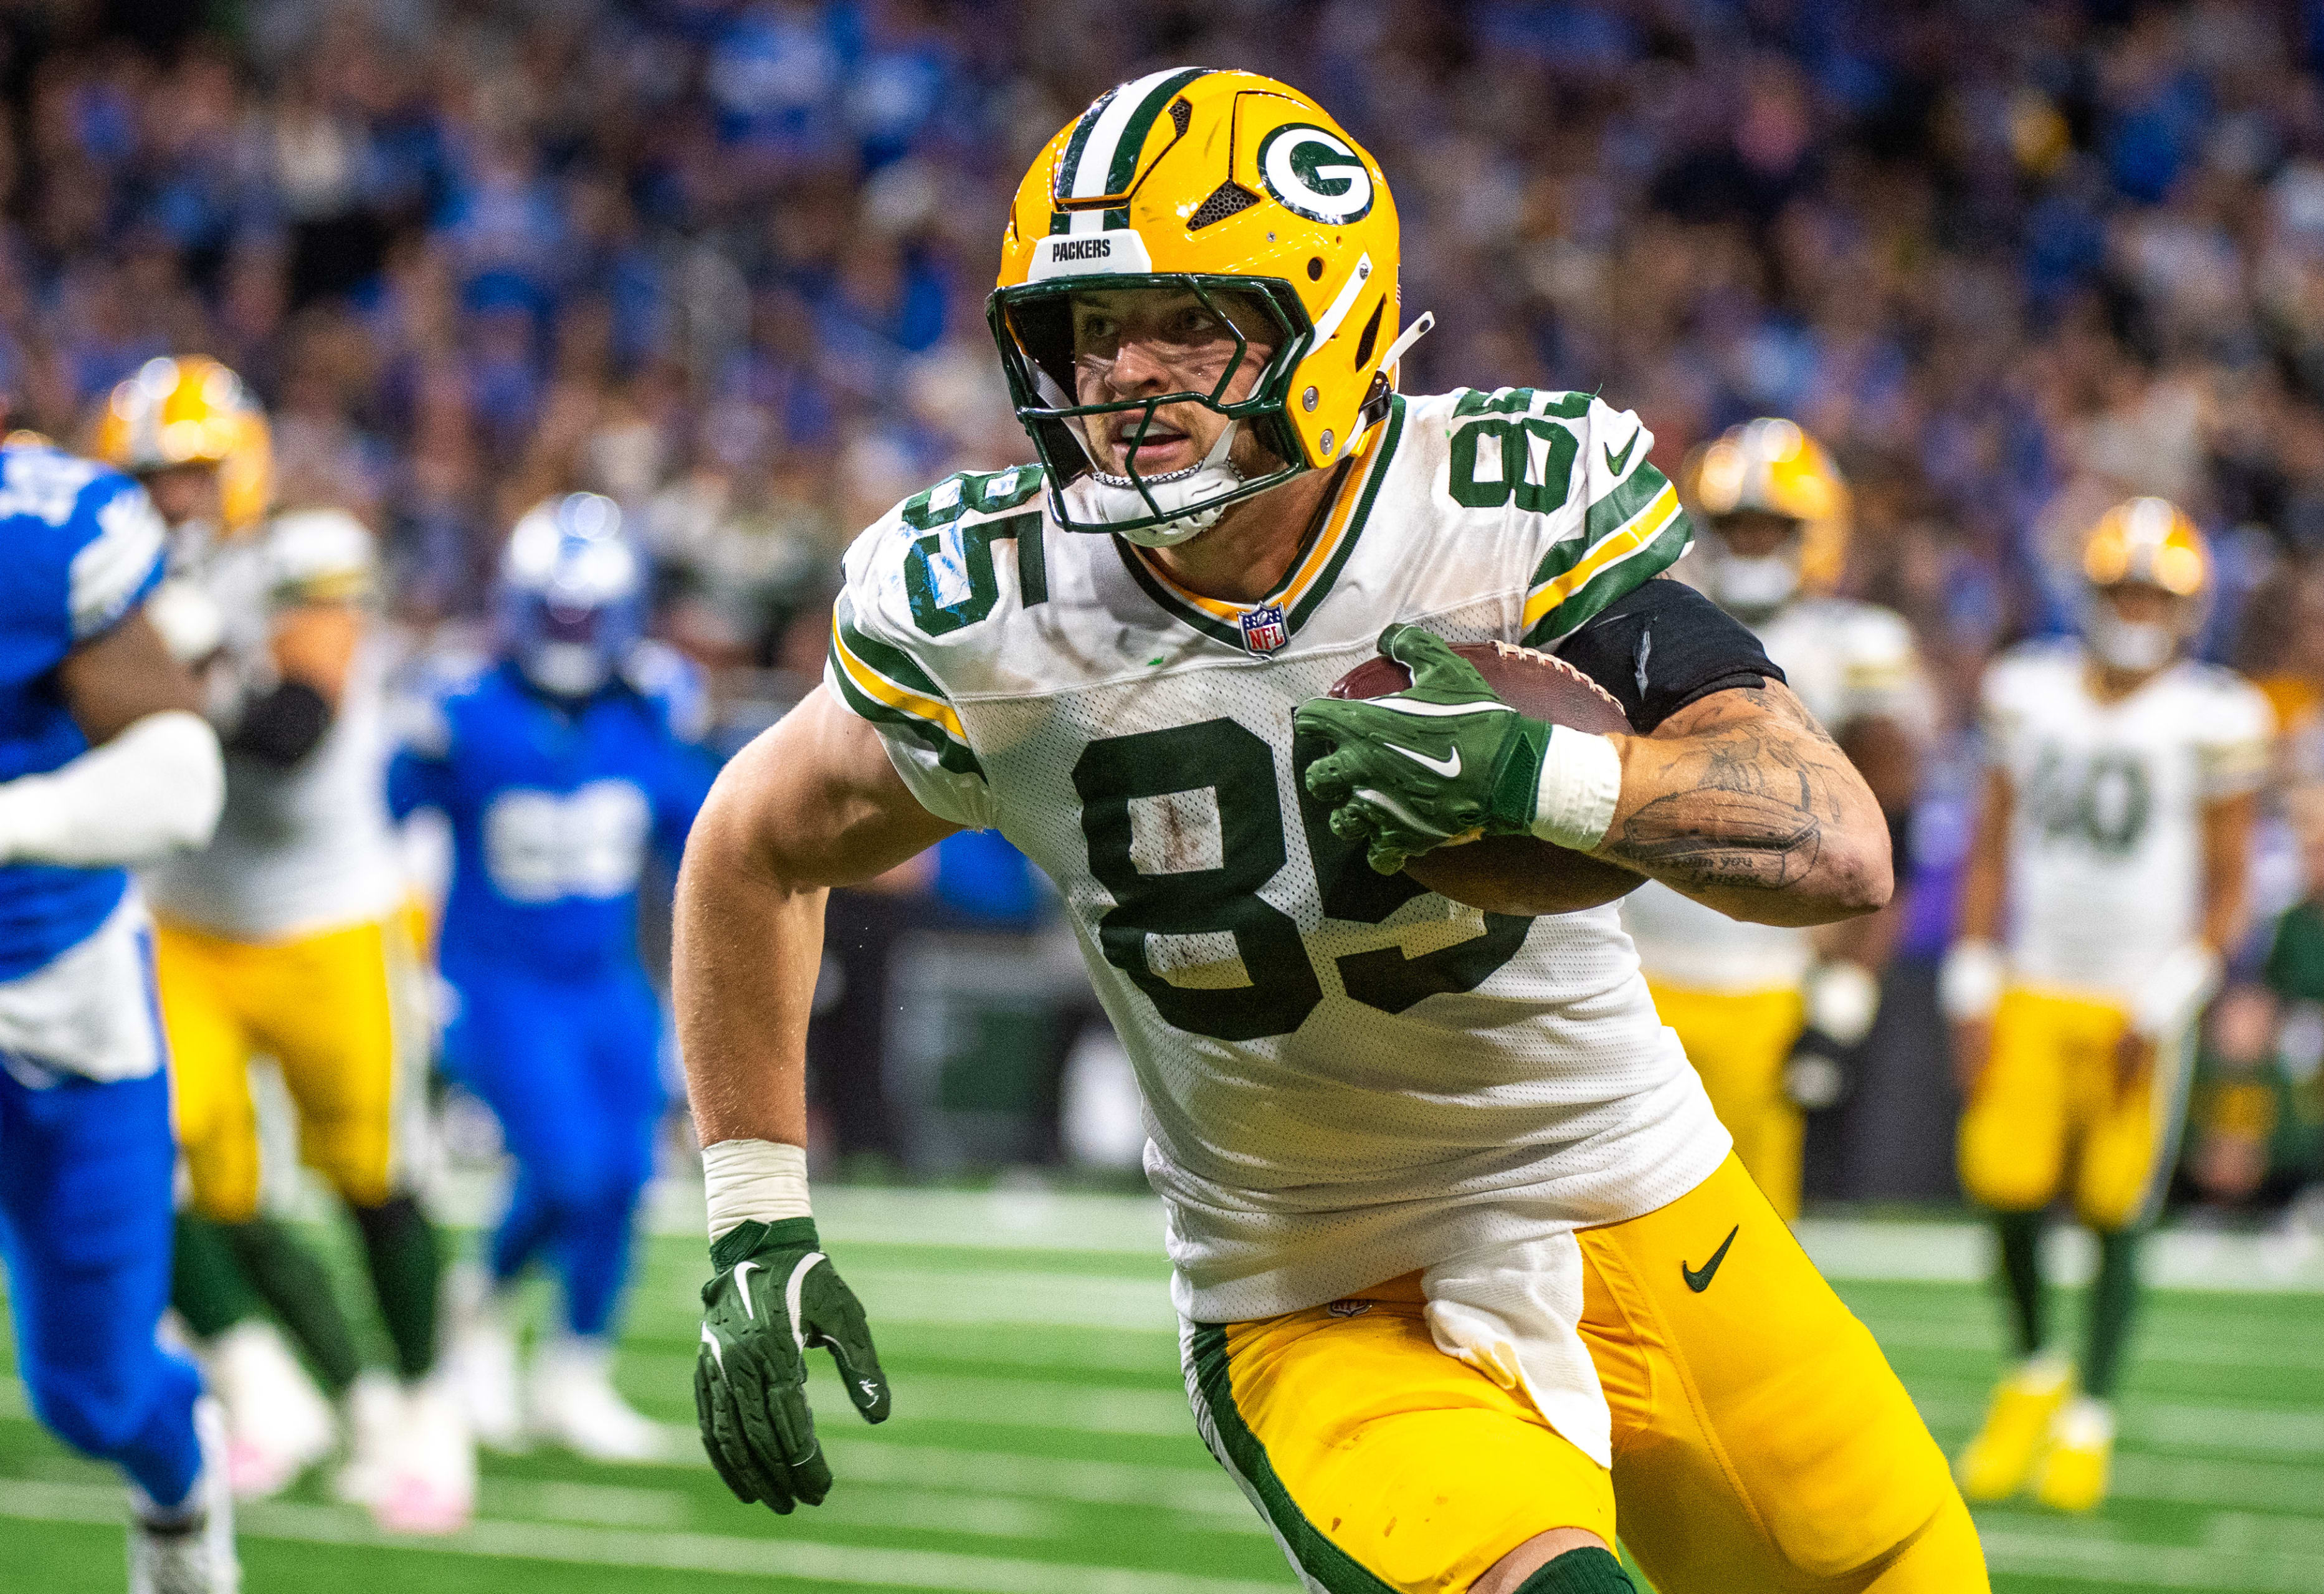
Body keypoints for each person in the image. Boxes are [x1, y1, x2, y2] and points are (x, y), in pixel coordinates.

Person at [674, 69, 1986, 1594]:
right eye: (1093, 332)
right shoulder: (992, 613)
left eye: (1186, 324)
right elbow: (752, 845)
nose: (1126, 381)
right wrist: (754, 1216)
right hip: (1312, 1286)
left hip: (1635, 1188)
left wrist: (1540, 781)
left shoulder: (1487, 511)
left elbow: (1835, 842)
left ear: (1331, 319)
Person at [95, 356, 470, 1532]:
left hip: (327, 913)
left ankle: (421, 1412)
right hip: (184, 917)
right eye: (154, 476)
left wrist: (176, 667)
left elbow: (294, 726)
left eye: (195, 472)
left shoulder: (308, 551)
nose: (176, 498)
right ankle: (265, 1385)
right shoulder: (112, 579)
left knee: (374, 1178)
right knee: (142, 1160)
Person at [1944, 497, 2271, 1513]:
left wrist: (2173, 992)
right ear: (2091, 592)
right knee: (2001, 1177)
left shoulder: (2216, 713)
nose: (2135, 606)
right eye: (2122, 587)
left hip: (2138, 994)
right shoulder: (2028, 691)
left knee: (2117, 1203)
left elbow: (2228, 882)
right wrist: (1971, 967)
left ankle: (2092, 1410)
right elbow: (1992, 842)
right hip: (2036, 978)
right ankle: (2037, 1365)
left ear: (2188, 606)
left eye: (2154, 591)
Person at [391, 493, 717, 1461]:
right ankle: (478, 1307)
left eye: (588, 615)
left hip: (607, 984)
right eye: (558, 614)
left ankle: (574, 1371)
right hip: (497, 981)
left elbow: (701, 832)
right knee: (570, 1170)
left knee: (622, 1177)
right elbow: (369, 821)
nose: (572, 633)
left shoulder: (655, 706)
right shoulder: (458, 707)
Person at [0, 434, 237, 1591]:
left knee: (95, 1394)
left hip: (51, 1002)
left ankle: (183, 1491)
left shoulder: (39, 538)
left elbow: (180, 775)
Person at [1620, 421, 1928, 1218]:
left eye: (1773, 527)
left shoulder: (1857, 646)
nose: (1753, 545)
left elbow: (1891, 831)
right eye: (1736, 525)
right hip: (1636, 961)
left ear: (1818, 534)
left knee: (1748, 1227)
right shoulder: (1644, 621)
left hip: (1767, 978)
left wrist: (1845, 997)